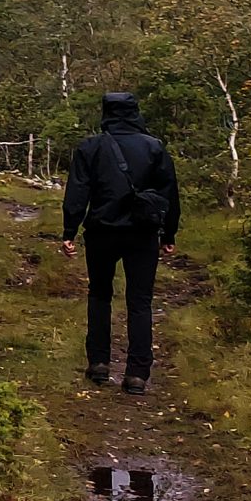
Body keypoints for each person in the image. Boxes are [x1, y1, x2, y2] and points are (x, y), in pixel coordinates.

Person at [59, 92, 181, 395]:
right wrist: (169, 234)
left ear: (106, 113)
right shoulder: (154, 147)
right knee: (139, 301)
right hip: (143, 234)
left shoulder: (91, 147)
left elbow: (77, 191)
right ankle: (137, 374)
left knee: (100, 295)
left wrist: (69, 231)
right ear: (135, 112)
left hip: (102, 231)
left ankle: (99, 363)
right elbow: (169, 194)